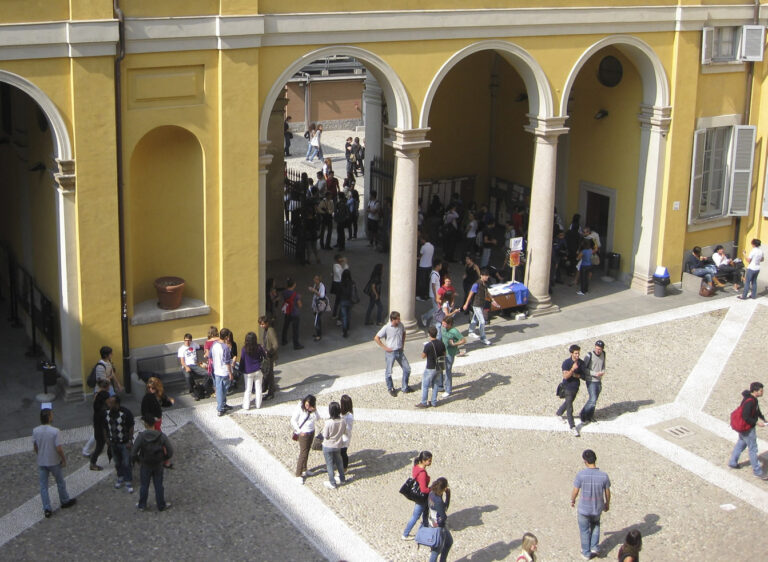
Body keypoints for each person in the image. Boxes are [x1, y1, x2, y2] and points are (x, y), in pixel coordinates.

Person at [34, 408, 77, 517]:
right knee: (60, 482)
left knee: (43, 486)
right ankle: (64, 500)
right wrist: (63, 459)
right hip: (53, 461)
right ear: (49, 417)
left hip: (42, 461)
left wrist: (40, 454)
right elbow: (59, 448)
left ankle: (47, 508)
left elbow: (35, 446)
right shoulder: (55, 431)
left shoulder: (35, 430)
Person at [571, 449, 611, 560]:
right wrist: (607, 503)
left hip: (584, 508)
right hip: (597, 507)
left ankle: (586, 552)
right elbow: (607, 491)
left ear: (585, 461)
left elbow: (575, 490)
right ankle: (594, 547)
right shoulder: (604, 476)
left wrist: (572, 500)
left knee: (584, 530)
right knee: (596, 525)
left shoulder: (581, 475)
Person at [132, 414, 174, 512]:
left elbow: (133, 452)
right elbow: (170, 451)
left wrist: (139, 460)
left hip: (145, 464)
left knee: (144, 485)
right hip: (158, 464)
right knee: (159, 485)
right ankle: (161, 505)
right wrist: (164, 458)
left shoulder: (141, 437)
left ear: (145, 424)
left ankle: (142, 505)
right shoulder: (161, 436)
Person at [728, 382, 768, 478]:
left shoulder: (751, 399)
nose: (763, 392)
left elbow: (757, 410)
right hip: (747, 429)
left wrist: (763, 418)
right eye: (761, 391)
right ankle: (757, 472)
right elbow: (746, 416)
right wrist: (757, 423)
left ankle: (733, 462)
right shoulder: (750, 402)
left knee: (741, 443)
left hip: (743, 428)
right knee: (753, 449)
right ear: (755, 391)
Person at [374, 311, 412, 397]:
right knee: (389, 372)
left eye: (399, 319)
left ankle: (405, 387)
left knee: (407, 369)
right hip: (391, 352)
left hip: (399, 351)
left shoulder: (401, 325)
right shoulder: (386, 327)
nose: (399, 320)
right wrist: (385, 348)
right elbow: (376, 338)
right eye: (397, 319)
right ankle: (390, 388)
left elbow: (404, 333)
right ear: (392, 319)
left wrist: (402, 344)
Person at [105, 395, 134, 493]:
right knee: (117, 462)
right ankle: (120, 477)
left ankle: (128, 480)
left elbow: (131, 427)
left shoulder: (125, 413)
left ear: (116, 404)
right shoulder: (107, 413)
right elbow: (104, 427)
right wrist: (107, 439)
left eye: (111, 403)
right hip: (113, 442)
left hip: (124, 442)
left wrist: (130, 440)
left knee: (126, 462)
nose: (109, 404)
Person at [462, 268, 497, 346]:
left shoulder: (485, 284)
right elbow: (470, 294)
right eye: (485, 276)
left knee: (475, 318)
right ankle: (483, 338)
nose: (486, 277)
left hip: (481, 304)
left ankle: (471, 332)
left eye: (487, 276)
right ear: (481, 275)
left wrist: (492, 300)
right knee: (482, 321)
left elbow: (487, 292)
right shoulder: (476, 284)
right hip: (476, 304)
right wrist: (466, 304)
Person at [321, 401, 352, 489]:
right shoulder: (343, 421)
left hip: (328, 446)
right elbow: (345, 432)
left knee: (330, 465)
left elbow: (325, 435)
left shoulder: (329, 422)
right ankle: (342, 479)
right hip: (338, 445)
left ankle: (332, 482)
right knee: (339, 462)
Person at [402, 451, 432, 540]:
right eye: (429, 461)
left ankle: (425, 530)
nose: (430, 462)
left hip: (420, 496)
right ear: (423, 460)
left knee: (425, 513)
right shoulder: (422, 473)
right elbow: (423, 489)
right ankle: (405, 534)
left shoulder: (416, 466)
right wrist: (432, 489)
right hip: (421, 497)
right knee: (416, 516)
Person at [291, 394, 320, 483]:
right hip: (303, 434)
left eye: (309, 405)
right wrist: (299, 431)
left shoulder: (313, 409)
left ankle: (304, 469)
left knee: (307, 451)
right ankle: (298, 474)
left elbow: (318, 418)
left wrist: (315, 411)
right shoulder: (300, 407)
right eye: (306, 405)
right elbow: (293, 420)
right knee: (303, 453)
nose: (307, 406)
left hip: (311, 431)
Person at [558, 344, 585, 437]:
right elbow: (565, 376)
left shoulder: (581, 363)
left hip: (575, 387)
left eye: (578, 353)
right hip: (567, 387)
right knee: (570, 407)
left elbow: (583, 376)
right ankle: (572, 427)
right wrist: (573, 369)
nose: (577, 355)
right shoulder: (566, 363)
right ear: (571, 353)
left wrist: (575, 375)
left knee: (568, 402)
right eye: (576, 353)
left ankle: (559, 413)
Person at [416, 326, 446, 408]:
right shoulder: (441, 343)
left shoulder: (428, 345)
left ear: (429, 334)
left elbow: (423, 356)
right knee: (435, 384)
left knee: (425, 385)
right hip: (439, 367)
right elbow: (444, 354)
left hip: (430, 367)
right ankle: (434, 402)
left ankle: (424, 402)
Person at [579, 341, 606, 424]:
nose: (598, 350)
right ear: (595, 347)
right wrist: (595, 373)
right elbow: (584, 368)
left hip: (598, 380)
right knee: (593, 399)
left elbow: (603, 364)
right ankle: (583, 415)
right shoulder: (589, 355)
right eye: (597, 348)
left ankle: (590, 416)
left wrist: (603, 371)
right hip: (591, 380)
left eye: (600, 349)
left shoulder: (603, 354)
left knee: (594, 399)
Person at [427, 477, 453, 562]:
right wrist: (448, 496)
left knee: (448, 542)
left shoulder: (432, 493)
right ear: (444, 488)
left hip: (431, 522)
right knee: (436, 550)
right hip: (438, 527)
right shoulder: (438, 501)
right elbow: (444, 513)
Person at [88, 379, 111, 471]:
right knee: (100, 445)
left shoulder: (97, 397)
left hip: (98, 426)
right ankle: (93, 462)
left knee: (101, 444)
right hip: (101, 428)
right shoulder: (103, 410)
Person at [441, 316, 466, 397]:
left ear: (450, 324)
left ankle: (448, 390)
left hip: (450, 353)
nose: (443, 325)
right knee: (440, 369)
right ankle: (440, 386)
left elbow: (463, 340)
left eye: (445, 324)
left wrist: (455, 344)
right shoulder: (443, 328)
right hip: (442, 351)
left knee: (448, 371)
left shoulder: (454, 331)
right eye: (443, 323)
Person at [211, 328, 234, 416]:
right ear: (227, 337)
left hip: (216, 370)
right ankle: (220, 408)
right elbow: (227, 362)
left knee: (220, 389)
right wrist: (230, 373)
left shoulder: (214, 344)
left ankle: (223, 404)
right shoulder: (225, 347)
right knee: (223, 390)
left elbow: (210, 355)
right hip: (224, 372)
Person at [241, 331, 265, 410]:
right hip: (258, 369)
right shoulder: (259, 347)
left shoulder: (244, 349)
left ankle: (246, 406)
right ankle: (258, 405)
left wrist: (241, 369)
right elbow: (264, 355)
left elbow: (242, 361)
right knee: (258, 388)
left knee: (248, 389)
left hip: (248, 372)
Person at [259, 315, 279, 400]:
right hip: (267, 355)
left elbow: (275, 344)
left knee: (269, 374)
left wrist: (269, 352)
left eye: (263, 324)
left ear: (267, 323)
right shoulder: (266, 330)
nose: (261, 326)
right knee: (268, 373)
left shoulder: (270, 330)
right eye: (260, 324)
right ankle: (269, 389)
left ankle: (271, 393)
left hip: (270, 356)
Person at [281, 278, 304, 350]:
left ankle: (283, 340)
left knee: (285, 326)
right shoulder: (295, 295)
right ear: (294, 285)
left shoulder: (284, 292)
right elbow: (300, 305)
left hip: (288, 312)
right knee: (295, 330)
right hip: (295, 313)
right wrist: (299, 298)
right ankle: (296, 344)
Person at [420, 259, 443, 328]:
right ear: (437, 266)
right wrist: (436, 296)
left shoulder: (436, 273)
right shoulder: (434, 275)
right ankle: (432, 323)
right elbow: (433, 285)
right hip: (434, 295)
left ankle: (425, 317)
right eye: (440, 265)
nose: (441, 267)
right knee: (437, 310)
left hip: (436, 294)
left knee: (436, 309)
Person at [308, 274, 328, 342]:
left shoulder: (322, 286)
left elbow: (322, 295)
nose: (314, 280)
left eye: (316, 279)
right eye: (314, 278)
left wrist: (314, 290)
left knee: (317, 320)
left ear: (319, 280)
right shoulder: (315, 285)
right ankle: (317, 333)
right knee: (317, 319)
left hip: (319, 305)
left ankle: (318, 335)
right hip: (315, 304)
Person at [331, 255, 349, 319]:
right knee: (340, 300)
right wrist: (344, 265)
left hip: (340, 284)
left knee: (338, 300)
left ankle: (335, 314)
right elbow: (341, 276)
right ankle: (338, 316)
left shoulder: (341, 265)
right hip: (338, 284)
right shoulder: (336, 266)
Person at [338, 269, 354, 338]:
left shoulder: (341, 283)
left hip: (343, 301)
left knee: (344, 316)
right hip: (350, 301)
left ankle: (344, 331)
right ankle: (347, 327)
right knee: (348, 315)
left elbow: (338, 293)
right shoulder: (352, 283)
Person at [340, 394, 354, 470]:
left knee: (343, 452)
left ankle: (344, 467)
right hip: (342, 436)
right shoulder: (344, 414)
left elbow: (348, 428)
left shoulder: (349, 416)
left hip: (344, 437)